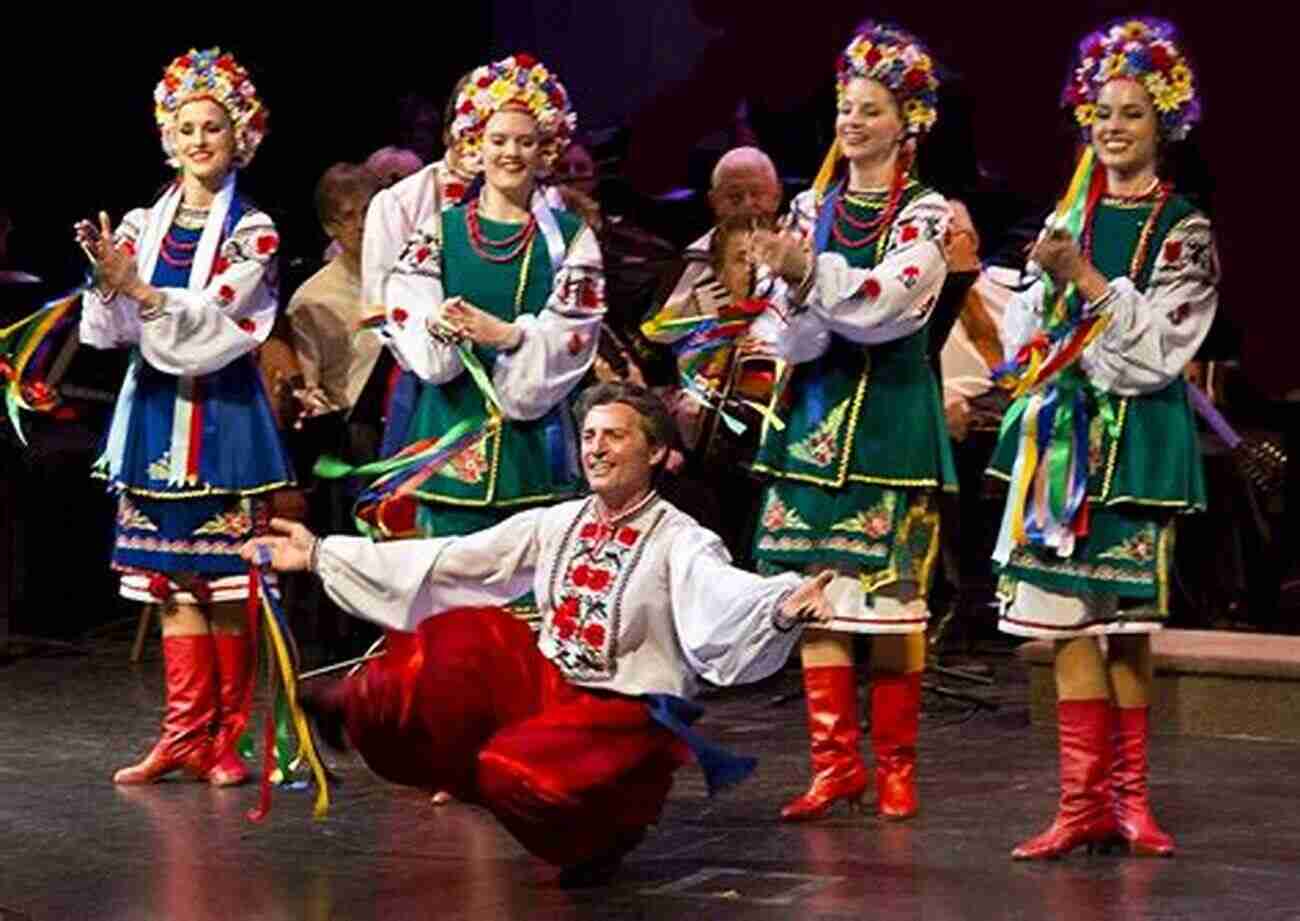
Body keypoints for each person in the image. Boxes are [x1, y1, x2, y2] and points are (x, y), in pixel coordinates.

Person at [242, 381, 835, 884]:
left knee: (513, 771)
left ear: (655, 454)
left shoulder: (681, 539)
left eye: (614, 436)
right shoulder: (558, 522)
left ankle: (597, 835)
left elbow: (723, 593)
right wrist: (321, 553)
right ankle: (359, 703)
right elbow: (454, 560)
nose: (596, 450)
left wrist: (781, 605)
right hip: (556, 689)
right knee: (466, 637)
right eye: (589, 437)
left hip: (626, 716)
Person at [987, 18, 1216, 860]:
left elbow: (1162, 349)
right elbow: (1024, 328)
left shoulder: (1183, 228)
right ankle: (1079, 804)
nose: (1113, 128)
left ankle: (1131, 801)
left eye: (1130, 114)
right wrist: (1042, 292)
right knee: (1068, 627)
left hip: (1134, 449)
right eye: (1102, 114)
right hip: (1061, 445)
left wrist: (1082, 277)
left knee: (1123, 628)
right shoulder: (1065, 214)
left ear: (1164, 125)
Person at [744, 22, 956, 823]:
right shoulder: (810, 206)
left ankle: (896, 764)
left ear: (908, 120)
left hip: (891, 427)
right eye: (845, 107)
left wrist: (811, 274)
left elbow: (890, 306)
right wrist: (795, 289)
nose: (853, 122)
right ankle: (836, 763)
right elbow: (791, 333)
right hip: (812, 422)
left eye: (870, 109)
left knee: (894, 602)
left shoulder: (927, 216)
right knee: (819, 599)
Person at [75, 48, 292, 787]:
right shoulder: (141, 222)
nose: (200, 140)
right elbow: (110, 332)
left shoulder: (254, 232)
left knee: (226, 584)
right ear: (170, 139)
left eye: (213, 128)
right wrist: (109, 285)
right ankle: (180, 735)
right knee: (169, 582)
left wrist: (140, 290)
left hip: (223, 417)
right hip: (154, 417)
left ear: (240, 139)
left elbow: (217, 320)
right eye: (187, 129)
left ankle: (223, 740)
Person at [357, 53, 603, 547]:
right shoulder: (439, 231)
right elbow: (407, 300)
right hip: (449, 431)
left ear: (545, 150)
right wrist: (435, 323)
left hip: (533, 439)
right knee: (447, 593)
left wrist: (512, 336)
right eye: (498, 140)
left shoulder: (572, 240)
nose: (511, 153)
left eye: (525, 141)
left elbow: (578, 330)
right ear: (475, 144)